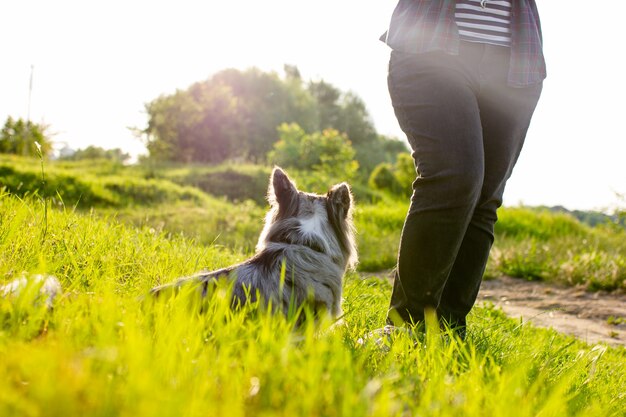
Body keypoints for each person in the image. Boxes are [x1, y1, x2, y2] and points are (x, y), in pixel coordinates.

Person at [381, 0, 546, 339]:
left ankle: (448, 332)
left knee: (485, 196)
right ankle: (404, 327)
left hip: (514, 62)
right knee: (456, 178)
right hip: (433, 49)